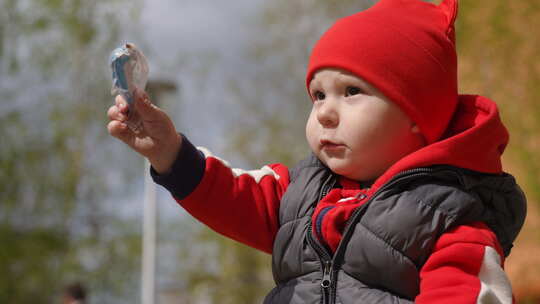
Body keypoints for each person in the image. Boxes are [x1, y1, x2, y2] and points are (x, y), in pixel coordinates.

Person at [107, 0, 527, 302]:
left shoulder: (452, 221)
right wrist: (170, 152)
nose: (325, 111)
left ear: (416, 114)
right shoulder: (301, 191)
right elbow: (232, 192)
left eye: (351, 92)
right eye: (317, 94)